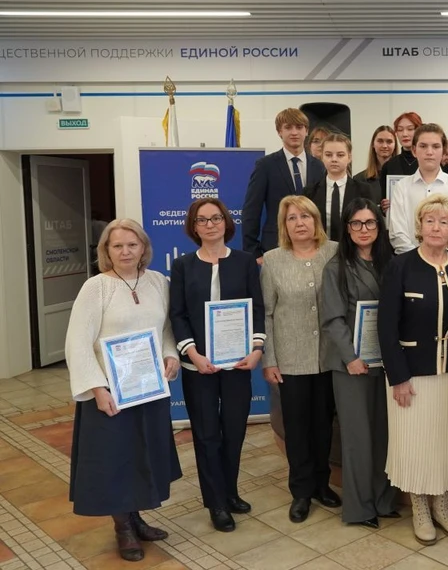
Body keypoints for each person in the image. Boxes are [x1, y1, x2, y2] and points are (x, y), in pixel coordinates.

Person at [65, 219, 181, 562]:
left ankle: (136, 518)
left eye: (132, 244)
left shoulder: (158, 282)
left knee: (142, 454)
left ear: (144, 247)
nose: (126, 251)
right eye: (117, 246)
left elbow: (166, 328)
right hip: (110, 393)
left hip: (148, 389)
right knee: (115, 460)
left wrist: (171, 355)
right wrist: (97, 388)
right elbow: (77, 342)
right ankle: (123, 528)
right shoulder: (96, 288)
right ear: (106, 250)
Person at [379, 194, 448, 545]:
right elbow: (386, 327)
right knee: (414, 445)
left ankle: (443, 507)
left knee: (445, 444)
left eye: (443, 222)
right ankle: (420, 509)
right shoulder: (400, 266)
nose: (436, 227)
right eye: (429, 221)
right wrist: (398, 377)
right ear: (419, 226)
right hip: (411, 376)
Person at [169, 198, 266, 533]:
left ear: (226, 222)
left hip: (237, 363)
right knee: (207, 435)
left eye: (215, 218)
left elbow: (257, 308)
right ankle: (216, 503)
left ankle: (230, 491)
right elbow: (177, 315)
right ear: (193, 227)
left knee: (234, 431)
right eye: (202, 220)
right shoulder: (183, 266)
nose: (210, 224)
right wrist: (193, 354)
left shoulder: (244, 262)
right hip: (199, 367)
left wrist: (257, 348)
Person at [260, 195, 342, 523]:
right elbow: (266, 314)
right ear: (284, 225)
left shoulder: (334, 252)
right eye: (292, 218)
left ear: (316, 220)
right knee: (296, 428)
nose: (299, 223)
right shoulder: (272, 261)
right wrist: (269, 359)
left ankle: (322, 484)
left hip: (328, 358)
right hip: (290, 359)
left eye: (305, 216)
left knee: (323, 426)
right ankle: (301, 491)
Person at [320, 198, 398, 529]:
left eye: (370, 222)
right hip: (352, 365)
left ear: (379, 226)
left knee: (384, 434)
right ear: (347, 228)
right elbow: (333, 320)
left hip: (386, 362)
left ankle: (384, 501)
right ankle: (360, 508)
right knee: (357, 438)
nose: (363, 229)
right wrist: (350, 358)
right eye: (356, 223)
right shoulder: (336, 268)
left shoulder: (391, 262)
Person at [242, 108, 326, 262]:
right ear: (279, 132)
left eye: (299, 127)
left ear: (306, 131)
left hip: (313, 246)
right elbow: (251, 210)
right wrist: (253, 251)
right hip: (275, 246)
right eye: (288, 127)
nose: (294, 132)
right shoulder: (265, 165)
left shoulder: (319, 166)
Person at [390, 124, 448, 254]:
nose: (429, 152)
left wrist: (441, 258)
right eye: (423, 146)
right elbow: (397, 231)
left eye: (436, 146)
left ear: (443, 151)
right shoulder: (402, 187)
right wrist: (416, 259)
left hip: (446, 260)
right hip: (409, 261)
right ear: (414, 150)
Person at [302, 133, 373, 242]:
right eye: (328, 155)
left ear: (349, 157)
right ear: (322, 157)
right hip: (320, 248)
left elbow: (371, 224)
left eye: (340, 155)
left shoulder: (363, 190)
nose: (334, 159)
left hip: (354, 248)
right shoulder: (310, 192)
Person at [379, 112, 423, 214]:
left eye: (410, 129)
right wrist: (384, 207)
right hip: (398, 219)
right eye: (400, 130)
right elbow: (384, 202)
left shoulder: (427, 162)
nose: (405, 134)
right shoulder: (389, 165)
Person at [355, 125, 399, 205]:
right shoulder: (359, 180)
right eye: (380, 141)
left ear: (395, 145)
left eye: (389, 141)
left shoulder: (403, 178)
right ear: (373, 144)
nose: (384, 146)